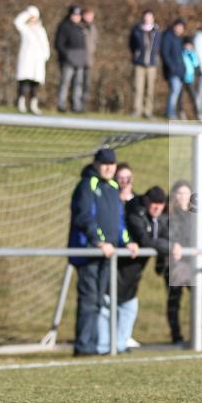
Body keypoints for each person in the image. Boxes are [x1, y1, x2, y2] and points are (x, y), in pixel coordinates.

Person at [68, 148, 138, 356]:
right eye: (104, 164)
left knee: (99, 300)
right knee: (89, 300)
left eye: (111, 164)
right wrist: (99, 241)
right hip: (89, 253)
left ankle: (95, 345)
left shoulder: (112, 187)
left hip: (108, 254)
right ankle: (84, 346)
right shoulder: (87, 185)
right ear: (96, 164)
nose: (108, 168)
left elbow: (119, 222)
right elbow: (84, 216)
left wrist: (127, 242)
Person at [104, 186, 169, 354]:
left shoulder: (158, 218)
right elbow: (145, 240)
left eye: (160, 205)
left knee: (129, 305)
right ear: (147, 201)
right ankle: (103, 345)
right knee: (108, 305)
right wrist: (169, 247)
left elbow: (162, 236)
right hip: (118, 269)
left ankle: (119, 344)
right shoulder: (135, 211)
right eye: (154, 204)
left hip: (133, 274)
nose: (157, 208)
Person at [162, 180, 202, 345]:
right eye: (179, 193)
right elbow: (165, 236)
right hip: (177, 263)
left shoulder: (197, 214)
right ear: (174, 196)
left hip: (196, 263)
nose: (183, 196)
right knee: (174, 300)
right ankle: (176, 336)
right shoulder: (168, 215)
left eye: (186, 193)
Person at [13, 6, 51, 115]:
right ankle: (21, 104)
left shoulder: (41, 30)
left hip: (38, 61)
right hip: (27, 60)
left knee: (35, 84)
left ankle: (33, 105)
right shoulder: (25, 29)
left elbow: (45, 44)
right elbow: (17, 22)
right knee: (24, 82)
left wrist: (45, 56)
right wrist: (28, 13)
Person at [55, 5, 87, 113]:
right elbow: (59, 44)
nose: (76, 17)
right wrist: (67, 56)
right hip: (67, 60)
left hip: (79, 60)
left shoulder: (80, 27)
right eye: (74, 15)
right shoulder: (64, 26)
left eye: (78, 15)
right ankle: (61, 105)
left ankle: (76, 106)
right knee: (65, 83)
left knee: (78, 84)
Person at [129, 10, 161, 118]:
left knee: (150, 89)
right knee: (138, 88)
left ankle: (148, 111)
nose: (147, 19)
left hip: (152, 64)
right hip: (139, 63)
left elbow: (158, 46)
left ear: (153, 18)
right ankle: (137, 110)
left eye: (149, 17)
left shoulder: (157, 31)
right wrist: (137, 55)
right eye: (146, 17)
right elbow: (131, 45)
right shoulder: (137, 30)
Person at [161, 19, 187, 120]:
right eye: (179, 26)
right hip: (172, 71)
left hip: (180, 71)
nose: (180, 29)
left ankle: (173, 112)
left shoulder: (179, 39)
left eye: (182, 28)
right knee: (175, 90)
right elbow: (165, 54)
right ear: (174, 26)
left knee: (177, 92)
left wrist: (183, 69)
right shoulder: (168, 37)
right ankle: (170, 112)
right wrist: (171, 67)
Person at [81, 8, 98, 109]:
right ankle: (76, 104)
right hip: (79, 59)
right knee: (78, 83)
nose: (89, 17)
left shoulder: (93, 28)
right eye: (87, 15)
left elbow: (95, 42)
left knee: (87, 84)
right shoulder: (80, 26)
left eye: (91, 15)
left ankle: (84, 105)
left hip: (89, 60)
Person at [181, 37, 201, 120]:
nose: (188, 46)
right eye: (187, 44)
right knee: (180, 97)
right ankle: (181, 113)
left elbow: (196, 64)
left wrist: (191, 55)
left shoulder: (193, 53)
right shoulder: (181, 53)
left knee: (193, 96)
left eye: (190, 44)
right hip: (182, 78)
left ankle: (197, 114)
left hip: (190, 78)